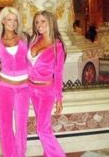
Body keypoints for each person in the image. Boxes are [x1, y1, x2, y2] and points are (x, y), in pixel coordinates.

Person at [0, 7, 30, 157]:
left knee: (21, 126)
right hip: (4, 88)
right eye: (9, 19)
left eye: (15, 20)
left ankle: (20, 154)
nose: (13, 23)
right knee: (5, 125)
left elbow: (33, 62)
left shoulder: (24, 38)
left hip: (23, 88)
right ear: (2, 21)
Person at [27, 10, 67, 157]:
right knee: (44, 126)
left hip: (45, 91)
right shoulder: (34, 40)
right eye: (37, 22)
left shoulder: (58, 46)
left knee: (42, 129)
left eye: (43, 21)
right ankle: (47, 154)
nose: (39, 25)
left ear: (51, 22)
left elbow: (59, 74)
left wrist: (59, 99)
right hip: (31, 88)